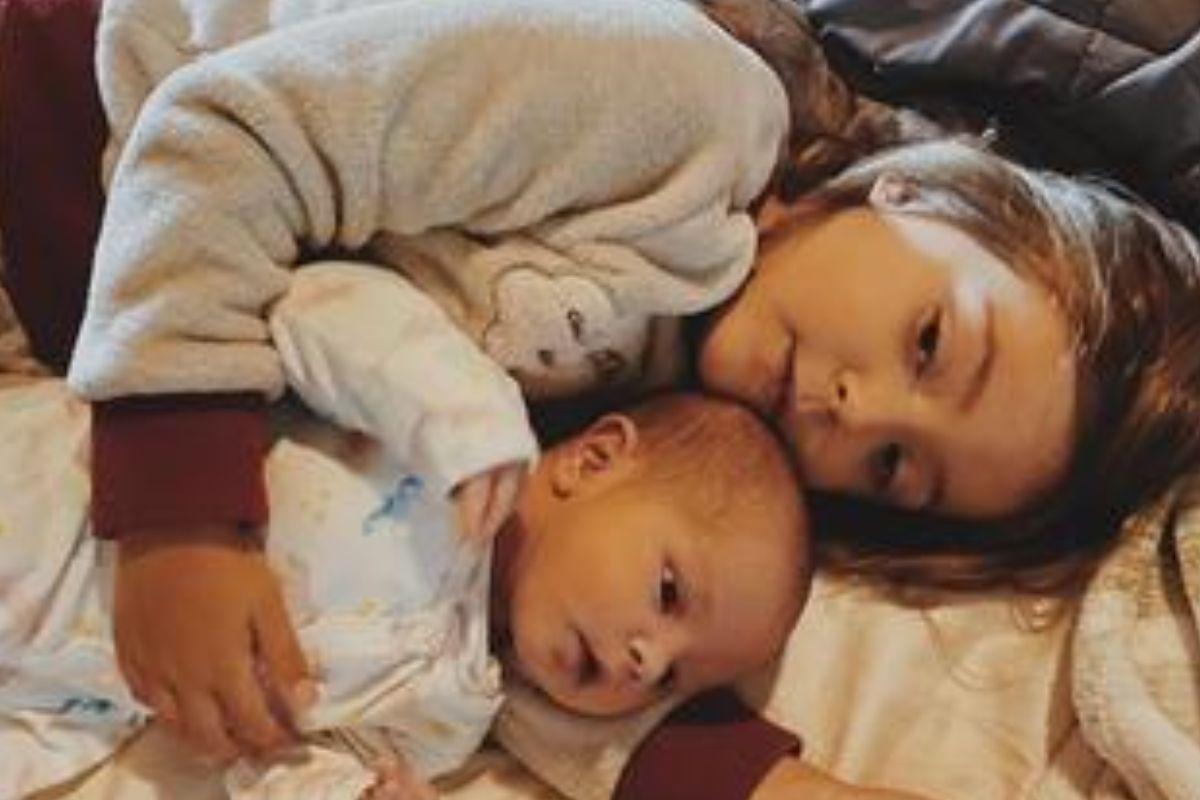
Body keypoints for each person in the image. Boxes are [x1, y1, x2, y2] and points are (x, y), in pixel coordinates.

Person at [4, 0, 1200, 798]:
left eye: (893, 463)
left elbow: (536, 606)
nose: (853, 403)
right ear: (928, 193)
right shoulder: (684, 118)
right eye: (932, 341)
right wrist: (179, 513)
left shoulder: (681, 421)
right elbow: (223, 130)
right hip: (49, 136)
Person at [0, 321, 824, 800]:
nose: (646, 660)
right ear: (596, 459)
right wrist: (455, 421)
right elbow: (312, 313)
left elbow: (273, 756)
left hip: (59, 694)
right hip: (56, 499)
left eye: (672, 679)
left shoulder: (451, 712)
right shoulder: (461, 422)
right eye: (669, 593)